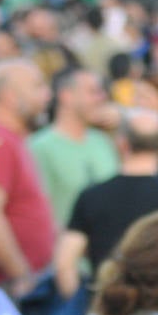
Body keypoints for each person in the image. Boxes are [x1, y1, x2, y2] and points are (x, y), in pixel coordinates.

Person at [53, 107, 158, 303]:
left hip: (107, 311)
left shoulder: (92, 196)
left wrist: (89, 309)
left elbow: (64, 264)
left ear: (122, 143)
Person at [0, 59, 56, 297]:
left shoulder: (10, 137)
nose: (47, 95)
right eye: (38, 87)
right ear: (9, 96)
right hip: (11, 289)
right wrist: (21, 274)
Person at [28, 66, 119, 227]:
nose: (102, 97)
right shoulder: (39, 147)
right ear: (66, 96)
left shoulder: (103, 141)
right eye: (93, 91)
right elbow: (38, 211)